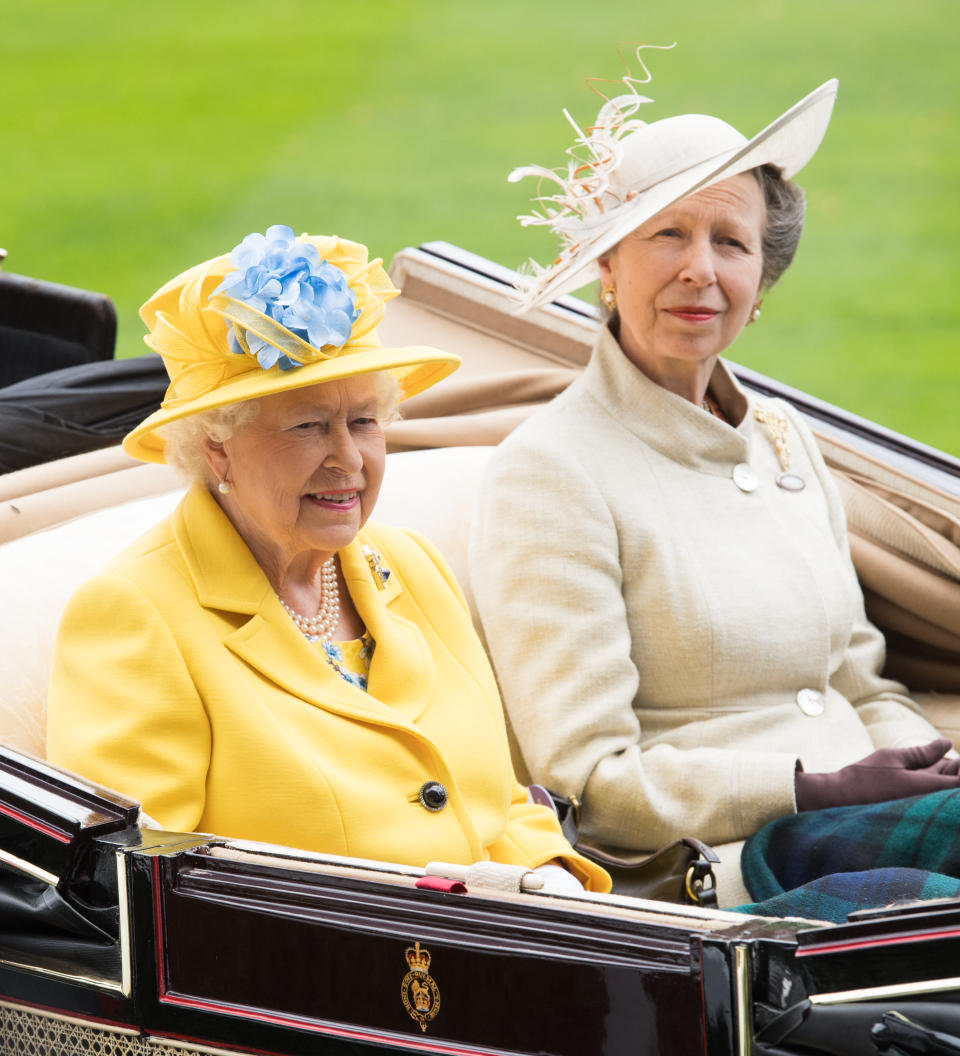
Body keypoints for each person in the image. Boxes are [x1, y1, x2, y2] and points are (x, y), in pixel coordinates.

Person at [469, 65, 960, 918]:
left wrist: (929, 778)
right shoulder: (550, 469)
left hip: (862, 819)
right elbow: (588, 780)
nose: (701, 270)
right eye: (668, 235)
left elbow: (861, 681)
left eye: (730, 243)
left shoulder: (781, 434)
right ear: (607, 267)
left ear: (760, 283)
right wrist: (814, 788)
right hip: (729, 868)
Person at [46, 225, 609, 896]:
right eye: (308, 425)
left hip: (489, 954)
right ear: (216, 449)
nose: (349, 458)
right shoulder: (134, 614)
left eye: (364, 422)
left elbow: (498, 801)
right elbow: (131, 890)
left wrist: (552, 878)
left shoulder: (411, 565)